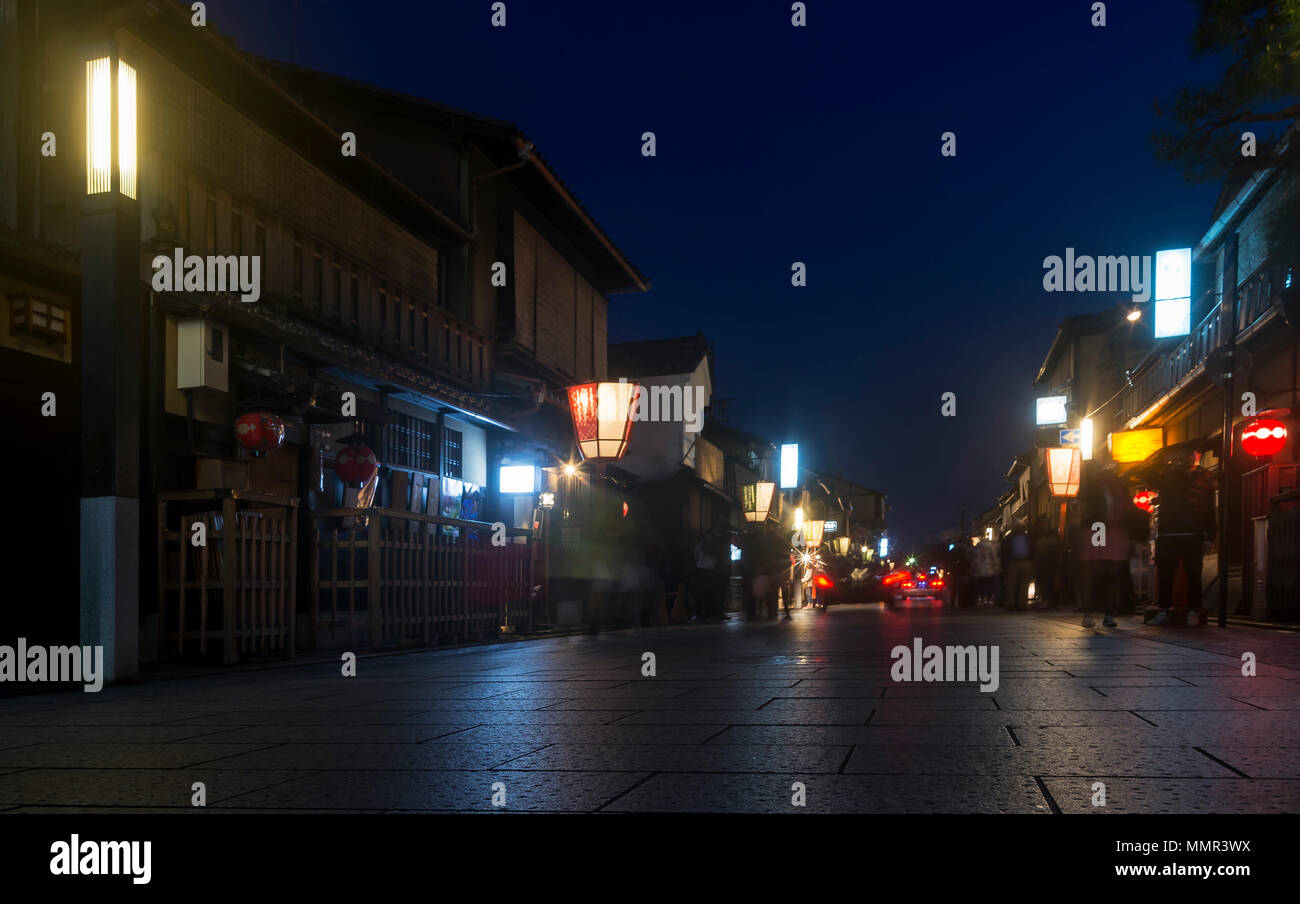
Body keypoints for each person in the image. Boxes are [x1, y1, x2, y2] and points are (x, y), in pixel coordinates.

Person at [1139, 444, 1215, 625]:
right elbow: (1148, 476)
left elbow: (1209, 507)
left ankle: (1193, 610)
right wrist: (1161, 460)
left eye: (1192, 452)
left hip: (1193, 532)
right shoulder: (1169, 474)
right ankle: (1164, 609)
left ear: (1198, 454)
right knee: (1166, 573)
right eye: (1185, 453)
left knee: (1194, 574)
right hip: (1168, 533)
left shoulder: (1205, 476)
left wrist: (1210, 535)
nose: (1189, 456)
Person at [1077, 455, 1139, 628]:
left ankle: (1109, 613)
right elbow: (1085, 512)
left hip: (1115, 534)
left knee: (1112, 575)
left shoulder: (1120, 490)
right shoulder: (1091, 490)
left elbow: (1129, 513)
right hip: (1099, 529)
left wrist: (1131, 536)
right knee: (1096, 573)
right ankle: (1090, 612)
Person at [1030, 515, 1062, 609]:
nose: (1044, 525)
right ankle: (1048, 601)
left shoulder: (1041, 535)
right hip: (1044, 563)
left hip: (1049, 563)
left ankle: (1051, 601)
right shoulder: (1041, 535)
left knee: (1050, 583)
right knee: (1045, 583)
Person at [1002, 521, 1034, 611]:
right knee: (1014, 585)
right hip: (1015, 562)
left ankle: (1020, 604)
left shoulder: (1026, 537)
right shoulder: (1011, 538)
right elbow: (1005, 551)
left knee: (1019, 585)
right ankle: (1014, 604)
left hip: (1021, 562)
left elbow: (1032, 548)